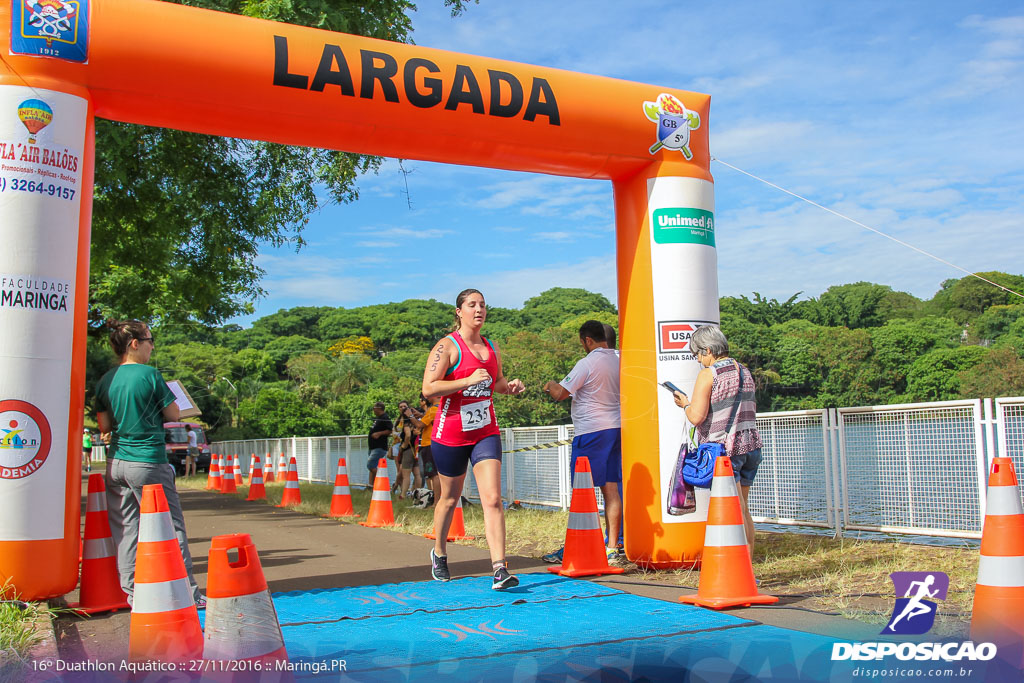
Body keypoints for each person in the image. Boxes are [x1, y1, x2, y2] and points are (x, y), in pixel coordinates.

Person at [94, 320, 204, 608]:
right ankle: (187, 594)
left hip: (116, 463)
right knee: (170, 525)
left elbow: (104, 424)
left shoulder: (106, 379)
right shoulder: (150, 375)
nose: (152, 346)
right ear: (134, 344)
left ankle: (133, 594)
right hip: (147, 461)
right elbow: (173, 414)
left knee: (127, 528)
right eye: (149, 340)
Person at [422, 288, 525, 590]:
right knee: (449, 498)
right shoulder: (447, 346)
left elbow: (497, 383)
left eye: (482, 305)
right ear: (459, 311)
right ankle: (439, 553)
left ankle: (499, 569)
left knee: (492, 499)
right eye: (472, 305)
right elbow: (428, 388)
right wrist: (465, 380)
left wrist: (511, 387)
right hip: (451, 432)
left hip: (485, 431)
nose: (478, 309)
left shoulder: (491, 347)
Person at [673, 325, 762, 553]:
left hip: (725, 450)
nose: (699, 360)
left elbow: (696, 417)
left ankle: (735, 566)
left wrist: (685, 404)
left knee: (732, 509)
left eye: (697, 355)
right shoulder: (745, 371)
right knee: (743, 508)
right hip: (750, 445)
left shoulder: (709, 374)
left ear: (708, 350)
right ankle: (748, 568)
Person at [541, 320, 624, 566]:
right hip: (617, 428)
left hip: (591, 432)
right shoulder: (620, 358)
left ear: (587, 340)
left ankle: (579, 545)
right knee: (611, 489)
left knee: (582, 491)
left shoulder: (587, 363)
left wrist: (550, 385)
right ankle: (612, 547)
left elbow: (560, 393)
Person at [408, 395, 440, 505]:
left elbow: (419, 424)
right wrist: (421, 415)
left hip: (429, 444)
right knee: (437, 474)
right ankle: (438, 500)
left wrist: (410, 415)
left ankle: (436, 502)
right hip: (437, 443)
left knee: (433, 475)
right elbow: (430, 421)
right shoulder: (441, 408)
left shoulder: (432, 410)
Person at [394, 400, 421, 499]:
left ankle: (403, 495)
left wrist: (403, 446)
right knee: (417, 474)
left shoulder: (406, 422)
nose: (402, 408)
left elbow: (408, 435)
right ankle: (417, 494)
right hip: (416, 449)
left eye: (404, 407)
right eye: (400, 406)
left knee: (406, 475)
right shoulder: (416, 421)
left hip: (408, 450)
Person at [367, 402, 392, 484]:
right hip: (373, 447)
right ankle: (371, 486)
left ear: (379, 408)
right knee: (373, 466)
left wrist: (379, 433)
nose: (373, 410)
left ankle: (382, 482)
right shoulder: (379, 418)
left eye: (374, 408)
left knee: (370, 465)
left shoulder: (385, 417)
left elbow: (390, 430)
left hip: (379, 447)